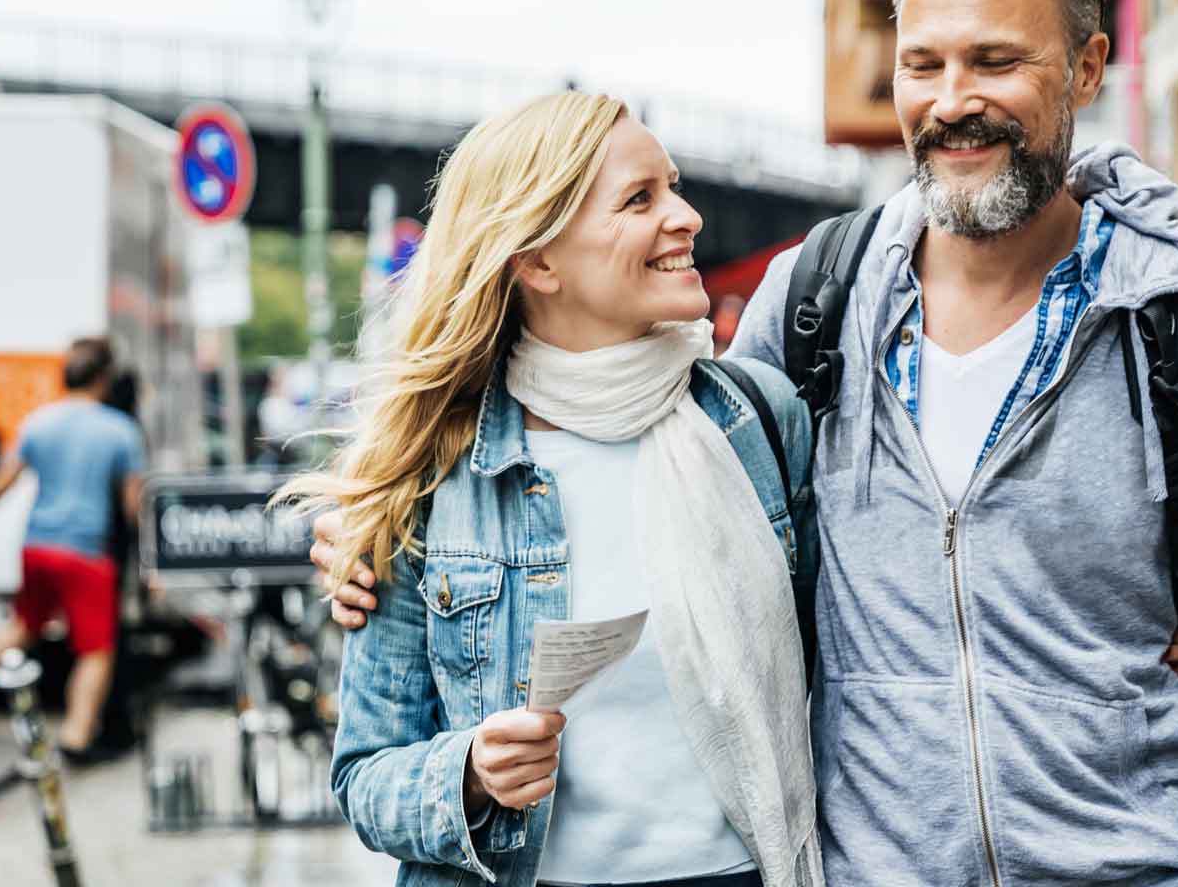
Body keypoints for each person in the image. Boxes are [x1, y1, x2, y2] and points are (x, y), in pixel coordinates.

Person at [320, 0, 1178, 887]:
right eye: (921, 63)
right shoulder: (810, 310)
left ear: (1083, 69)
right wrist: (372, 534)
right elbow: (634, 465)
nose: (951, 100)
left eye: (995, 60)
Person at [283, 92, 822, 887]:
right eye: (640, 199)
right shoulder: (431, 478)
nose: (686, 216)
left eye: (672, 186)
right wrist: (467, 773)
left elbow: (846, 677)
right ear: (539, 263)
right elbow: (364, 778)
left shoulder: (759, 422)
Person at [0, 337, 146, 757]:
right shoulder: (120, 431)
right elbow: (133, 507)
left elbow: (1, 482)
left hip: (36, 547)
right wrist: (149, 560)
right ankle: (76, 734)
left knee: (23, 625)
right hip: (85, 553)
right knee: (95, 651)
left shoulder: (39, 422)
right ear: (103, 378)